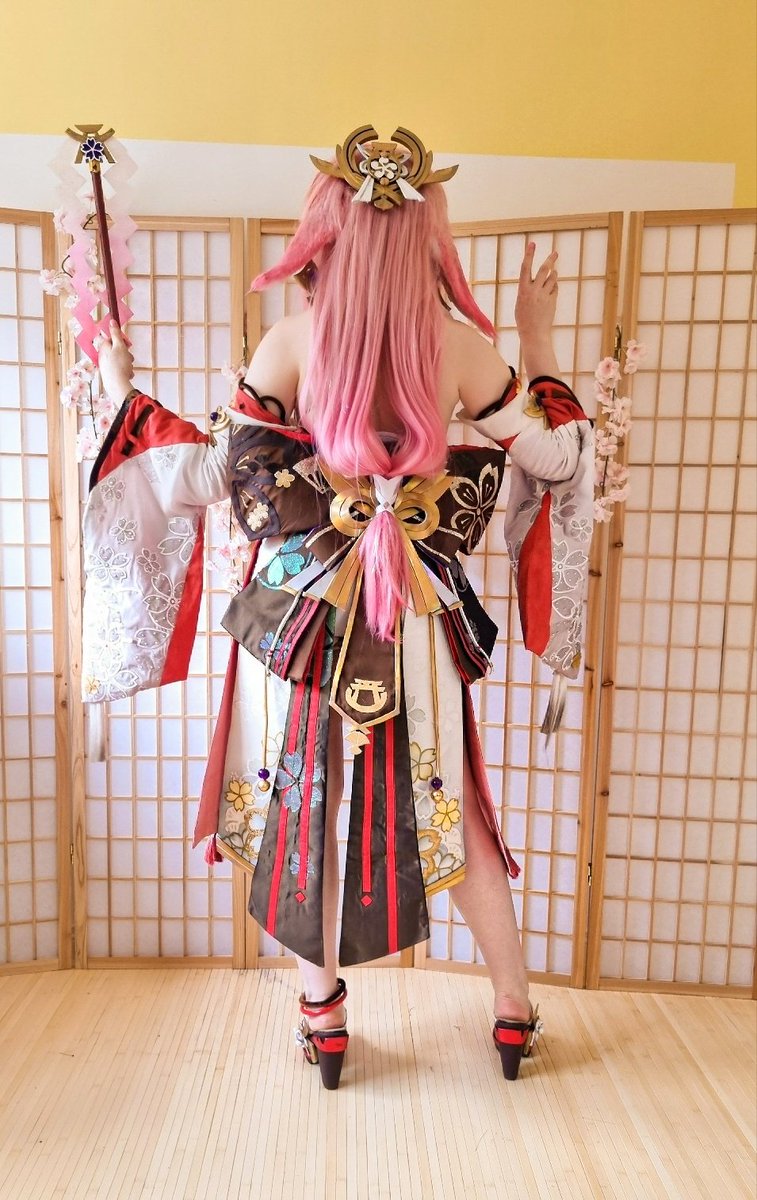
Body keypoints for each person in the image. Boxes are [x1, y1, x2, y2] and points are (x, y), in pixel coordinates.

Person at [92, 125, 593, 1091]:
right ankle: (511, 1012)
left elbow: (206, 475)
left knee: (304, 802)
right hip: (414, 619)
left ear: (328, 235)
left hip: (300, 620)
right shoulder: (464, 351)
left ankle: (322, 1019)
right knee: (457, 808)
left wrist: (123, 389)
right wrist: (536, 339)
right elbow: (556, 458)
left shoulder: (289, 343)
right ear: (425, 240)